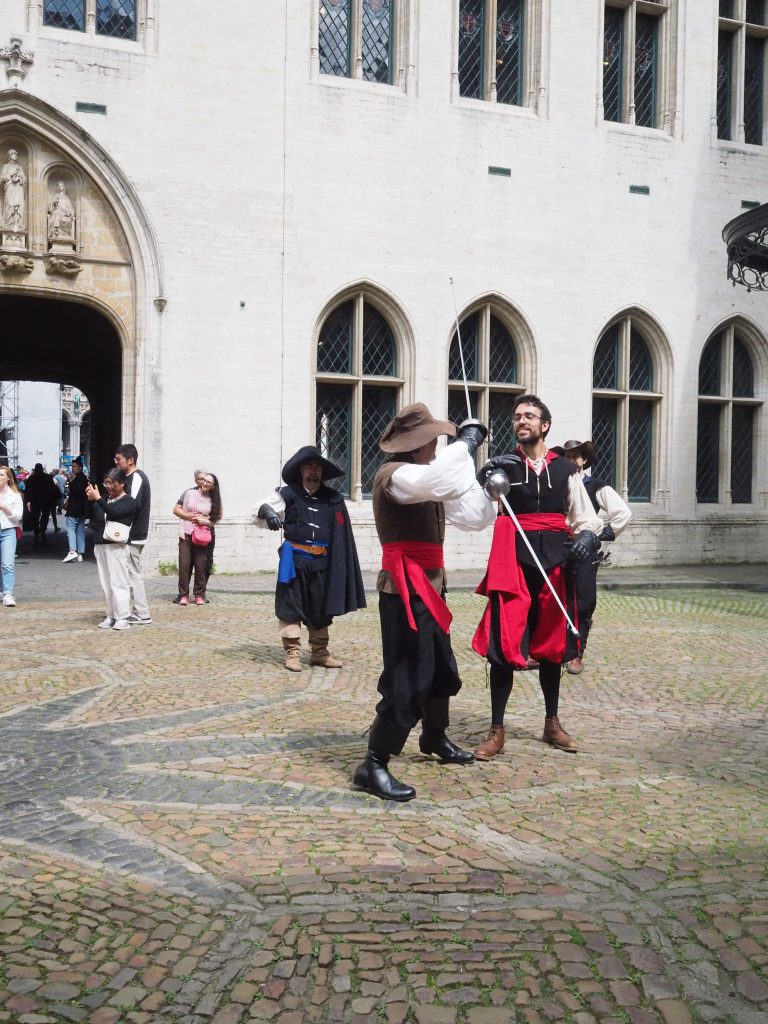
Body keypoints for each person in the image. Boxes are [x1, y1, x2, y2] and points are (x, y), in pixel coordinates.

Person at [352, 404, 496, 802]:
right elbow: (442, 479)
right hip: (403, 590)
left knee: (440, 669)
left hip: (431, 588)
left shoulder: (426, 480)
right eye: (434, 438)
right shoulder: (395, 476)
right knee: (407, 676)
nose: (437, 444)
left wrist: (485, 485)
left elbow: (473, 517)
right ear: (418, 443)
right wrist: (466, 443)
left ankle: (434, 736)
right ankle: (374, 763)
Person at [473, 395, 604, 758]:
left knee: (551, 646)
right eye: (517, 416)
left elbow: (585, 517)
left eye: (530, 416)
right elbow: (477, 511)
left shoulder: (565, 470)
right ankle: (497, 730)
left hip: (555, 565)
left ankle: (551, 723)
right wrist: (483, 476)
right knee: (504, 645)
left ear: (545, 425)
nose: (522, 421)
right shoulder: (504, 469)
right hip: (513, 564)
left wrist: (587, 538)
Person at [254, 446, 365, 671]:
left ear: (322, 472)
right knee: (291, 605)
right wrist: (268, 512)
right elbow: (257, 511)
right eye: (308, 467)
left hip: (322, 561)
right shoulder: (287, 494)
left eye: (317, 467)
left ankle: (319, 652)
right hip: (294, 560)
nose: (313, 471)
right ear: (301, 470)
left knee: (320, 606)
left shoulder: (333, 499)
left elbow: (341, 533)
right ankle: (292, 652)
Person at [550, 439, 632, 675]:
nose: (570, 460)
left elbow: (622, 513)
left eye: (575, 456)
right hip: (558, 548)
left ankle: (576, 653)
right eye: (566, 457)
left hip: (584, 550)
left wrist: (596, 536)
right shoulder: (556, 482)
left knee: (582, 603)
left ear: (584, 460)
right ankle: (553, 649)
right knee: (554, 600)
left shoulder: (595, 486)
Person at [86, 468, 137, 630]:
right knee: (106, 583)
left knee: (119, 581)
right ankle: (111, 615)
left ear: (122, 483)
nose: (108, 486)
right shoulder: (104, 499)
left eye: (112, 483)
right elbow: (92, 517)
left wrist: (98, 499)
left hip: (117, 545)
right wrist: (90, 500)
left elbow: (114, 513)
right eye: (106, 483)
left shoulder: (129, 501)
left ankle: (123, 616)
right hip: (100, 544)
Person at [114, 444, 152, 625]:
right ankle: (133, 610)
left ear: (130, 460)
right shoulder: (128, 478)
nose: (116, 462)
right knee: (128, 574)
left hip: (133, 534)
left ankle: (142, 613)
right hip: (129, 533)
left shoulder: (136, 477)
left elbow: (132, 505)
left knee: (133, 574)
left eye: (118, 459)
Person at [173, 471, 222, 605]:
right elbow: (180, 511)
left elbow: (217, 518)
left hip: (202, 534)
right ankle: (183, 595)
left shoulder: (214, 499)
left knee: (201, 565)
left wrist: (205, 521)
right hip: (186, 532)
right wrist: (184, 525)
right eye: (204, 480)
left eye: (208, 482)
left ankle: (199, 595)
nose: (204, 483)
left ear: (213, 486)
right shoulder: (189, 493)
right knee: (184, 564)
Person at [0, 465, 24, 607]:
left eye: (1, 475)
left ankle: (8, 593)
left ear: (8, 478)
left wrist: (5, 507)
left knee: (7, 564)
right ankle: (1, 590)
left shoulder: (15, 495)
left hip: (8, 531)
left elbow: (18, 516)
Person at [24, 463, 59, 544]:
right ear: (42, 469)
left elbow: (27, 490)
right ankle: (42, 530)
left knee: (35, 517)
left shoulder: (32, 478)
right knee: (45, 516)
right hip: (46, 500)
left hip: (35, 501)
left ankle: (36, 534)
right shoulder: (48, 477)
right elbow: (52, 488)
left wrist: (28, 500)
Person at [62, 457, 88, 562]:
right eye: (72, 466)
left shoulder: (78, 479)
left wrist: (70, 481)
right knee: (80, 530)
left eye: (75, 466)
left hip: (74, 509)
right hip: (82, 509)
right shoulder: (84, 478)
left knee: (71, 529)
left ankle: (72, 551)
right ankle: (80, 553)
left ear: (80, 467)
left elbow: (74, 492)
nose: (72, 468)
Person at [1, 149, 27, 231]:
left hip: (18, 188)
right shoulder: (6, 166)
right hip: (10, 187)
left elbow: (25, 179)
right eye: (13, 154)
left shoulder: (19, 167)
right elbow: (1, 178)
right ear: (10, 156)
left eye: (16, 154)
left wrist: (19, 178)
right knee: (9, 204)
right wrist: (11, 175)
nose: (15, 156)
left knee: (17, 206)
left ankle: (17, 223)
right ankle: (8, 223)